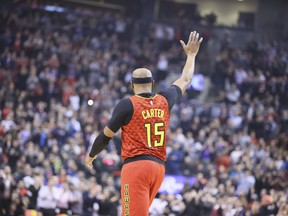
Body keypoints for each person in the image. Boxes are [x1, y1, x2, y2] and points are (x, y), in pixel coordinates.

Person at [85, 31, 203, 216]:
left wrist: (91, 155)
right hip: (158, 168)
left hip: (136, 167)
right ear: (153, 83)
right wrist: (191, 55)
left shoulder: (127, 104)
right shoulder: (164, 99)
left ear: (132, 85)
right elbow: (186, 79)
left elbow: (105, 136)